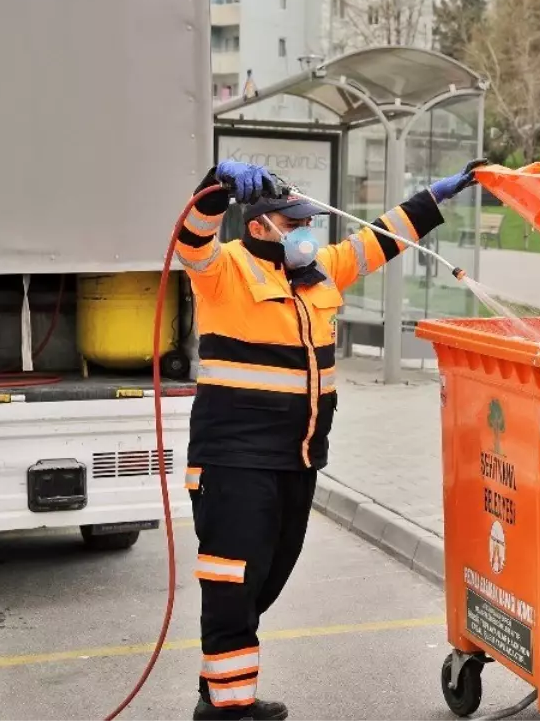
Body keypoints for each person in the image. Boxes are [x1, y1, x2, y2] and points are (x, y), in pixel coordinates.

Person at [175, 158, 485, 720]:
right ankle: (228, 709)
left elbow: (380, 240)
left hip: (298, 459)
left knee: (266, 576)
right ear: (260, 224)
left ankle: (219, 687)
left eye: (306, 223)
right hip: (234, 460)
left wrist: (436, 198)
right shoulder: (223, 271)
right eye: (293, 224)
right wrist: (217, 186)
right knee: (233, 581)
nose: (305, 233)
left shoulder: (320, 273)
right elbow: (191, 237)